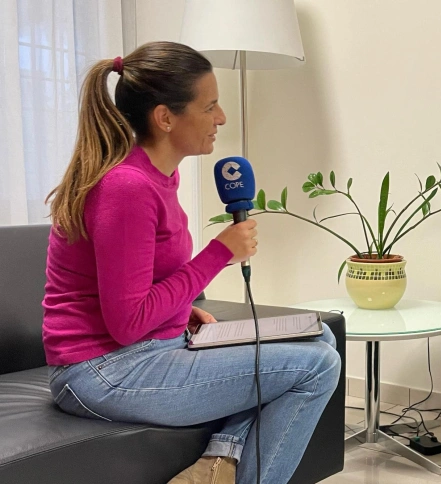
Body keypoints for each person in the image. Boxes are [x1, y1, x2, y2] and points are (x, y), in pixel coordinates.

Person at [42, 41, 340, 484]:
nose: (220, 118)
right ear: (165, 118)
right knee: (318, 366)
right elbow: (126, 323)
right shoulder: (126, 187)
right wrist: (220, 253)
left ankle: (217, 464)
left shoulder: (157, 174)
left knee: (322, 340)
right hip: (101, 371)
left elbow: (143, 282)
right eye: (211, 106)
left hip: (142, 349)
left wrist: (180, 313)